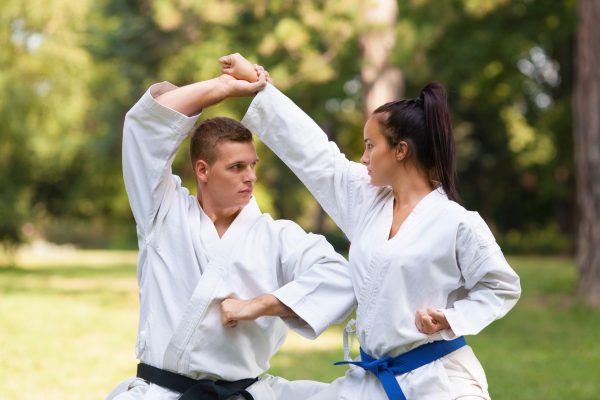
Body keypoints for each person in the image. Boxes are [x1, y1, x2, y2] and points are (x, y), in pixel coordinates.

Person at [220, 53, 522, 400]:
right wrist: (260, 89)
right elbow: (318, 158)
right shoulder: (369, 201)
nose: (363, 157)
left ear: (400, 151)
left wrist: (451, 318)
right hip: (371, 384)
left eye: (370, 145)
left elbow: (500, 286)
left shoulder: (457, 223)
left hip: (441, 384)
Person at [107, 69, 356, 400]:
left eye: (252, 165)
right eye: (236, 167)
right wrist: (222, 87)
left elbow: (339, 275)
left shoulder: (277, 236)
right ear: (203, 170)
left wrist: (259, 305)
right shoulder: (162, 213)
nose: (250, 177)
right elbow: (144, 129)